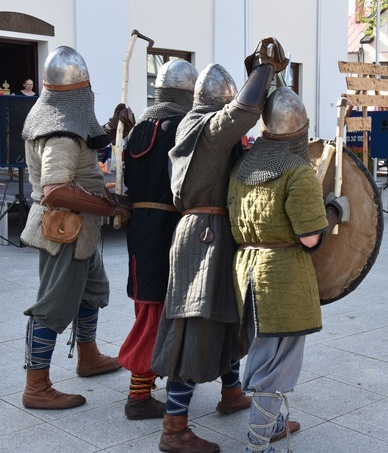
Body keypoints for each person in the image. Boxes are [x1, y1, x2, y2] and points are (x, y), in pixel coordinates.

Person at [150, 38, 287, 453]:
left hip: (215, 234)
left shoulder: (201, 127)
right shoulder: (206, 129)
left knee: (227, 319)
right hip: (204, 238)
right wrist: (263, 69)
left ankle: (231, 394)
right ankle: (174, 429)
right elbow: (244, 112)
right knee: (194, 325)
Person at [227, 86, 349, 453]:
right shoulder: (297, 172)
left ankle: (274, 424)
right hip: (281, 277)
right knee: (275, 366)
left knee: (264, 352)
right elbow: (310, 238)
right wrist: (334, 211)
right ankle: (258, 443)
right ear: (300, 131)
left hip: (245, 271)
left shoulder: (243, 166)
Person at [19, 46, 128, 410]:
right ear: (80, 89)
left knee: (92, 290)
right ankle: (37, 385)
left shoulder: (55, 115)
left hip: (81, 231)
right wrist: (109, 205)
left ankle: (89, 356)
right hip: (63, 229)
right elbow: (56, 189)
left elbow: (84, 142)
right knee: (53, 305)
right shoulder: (61, 131)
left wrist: (113, 127)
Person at [112, 59, 219, 422]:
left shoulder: (139, 127)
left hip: (141, 226)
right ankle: (139, 396)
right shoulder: (182, 126)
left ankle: (154, 385)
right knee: (155, 313)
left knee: (148, 305)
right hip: (170, 228)